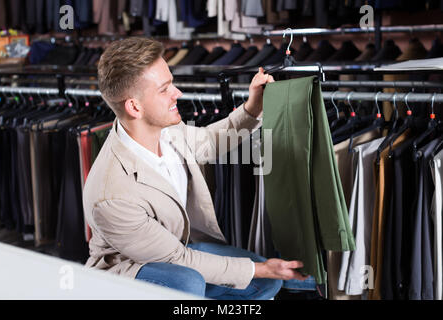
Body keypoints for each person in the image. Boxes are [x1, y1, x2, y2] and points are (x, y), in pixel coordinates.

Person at [83, 37, 308, 300]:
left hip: (178, 251)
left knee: (264, 284)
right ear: (135, 107)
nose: (177, 93)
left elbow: (209, 142)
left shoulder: (166, 130)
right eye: (164, 89)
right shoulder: (110, 194)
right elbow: (179, 259)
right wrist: (260, 269)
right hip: (129, 273)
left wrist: (252, 108)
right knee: (188, 284)